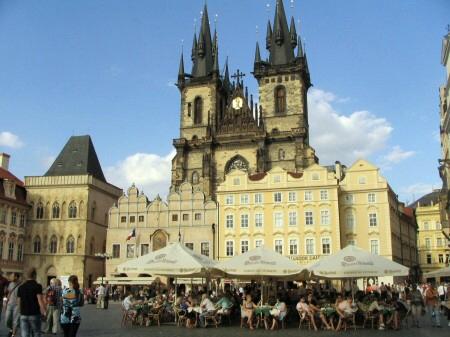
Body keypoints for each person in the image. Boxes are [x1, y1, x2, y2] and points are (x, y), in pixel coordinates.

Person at [17, 268, 46, 337]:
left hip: (23, 314)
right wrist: (44, 312)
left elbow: (18, 302)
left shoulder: (21, 287)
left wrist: (20, 312)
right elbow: (40, 300)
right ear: (34, 275)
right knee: (36, 333)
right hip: (34, 314)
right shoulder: (38, 286)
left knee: (25, 334)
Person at [5, 273, 21, 337]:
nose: (11, 277)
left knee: (16, 320)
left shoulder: (21, 285)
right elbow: (9, 293)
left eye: (12, 276)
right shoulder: (10, 284)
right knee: (7, 319)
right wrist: (6, 302)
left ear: (16, 277)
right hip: (10, 304)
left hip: (17, 305)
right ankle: (11, 329)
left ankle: (13, 334)